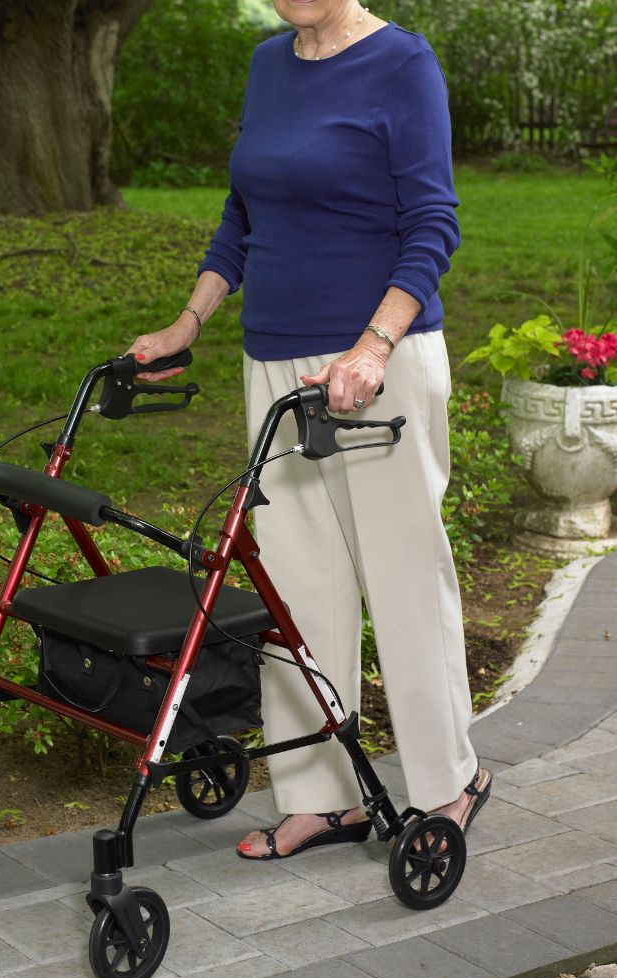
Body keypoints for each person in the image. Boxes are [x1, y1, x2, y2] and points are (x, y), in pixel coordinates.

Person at [127, 0, 492, 861]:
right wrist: (189, 323)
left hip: (379, 365)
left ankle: (450, 782)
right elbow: (243, 215)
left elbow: (433, 223)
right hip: (277, 364)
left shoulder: (403, 64)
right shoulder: (270, 63)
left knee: (404, 577)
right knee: (295, 588)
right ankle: (325, 797)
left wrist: (372, 347)